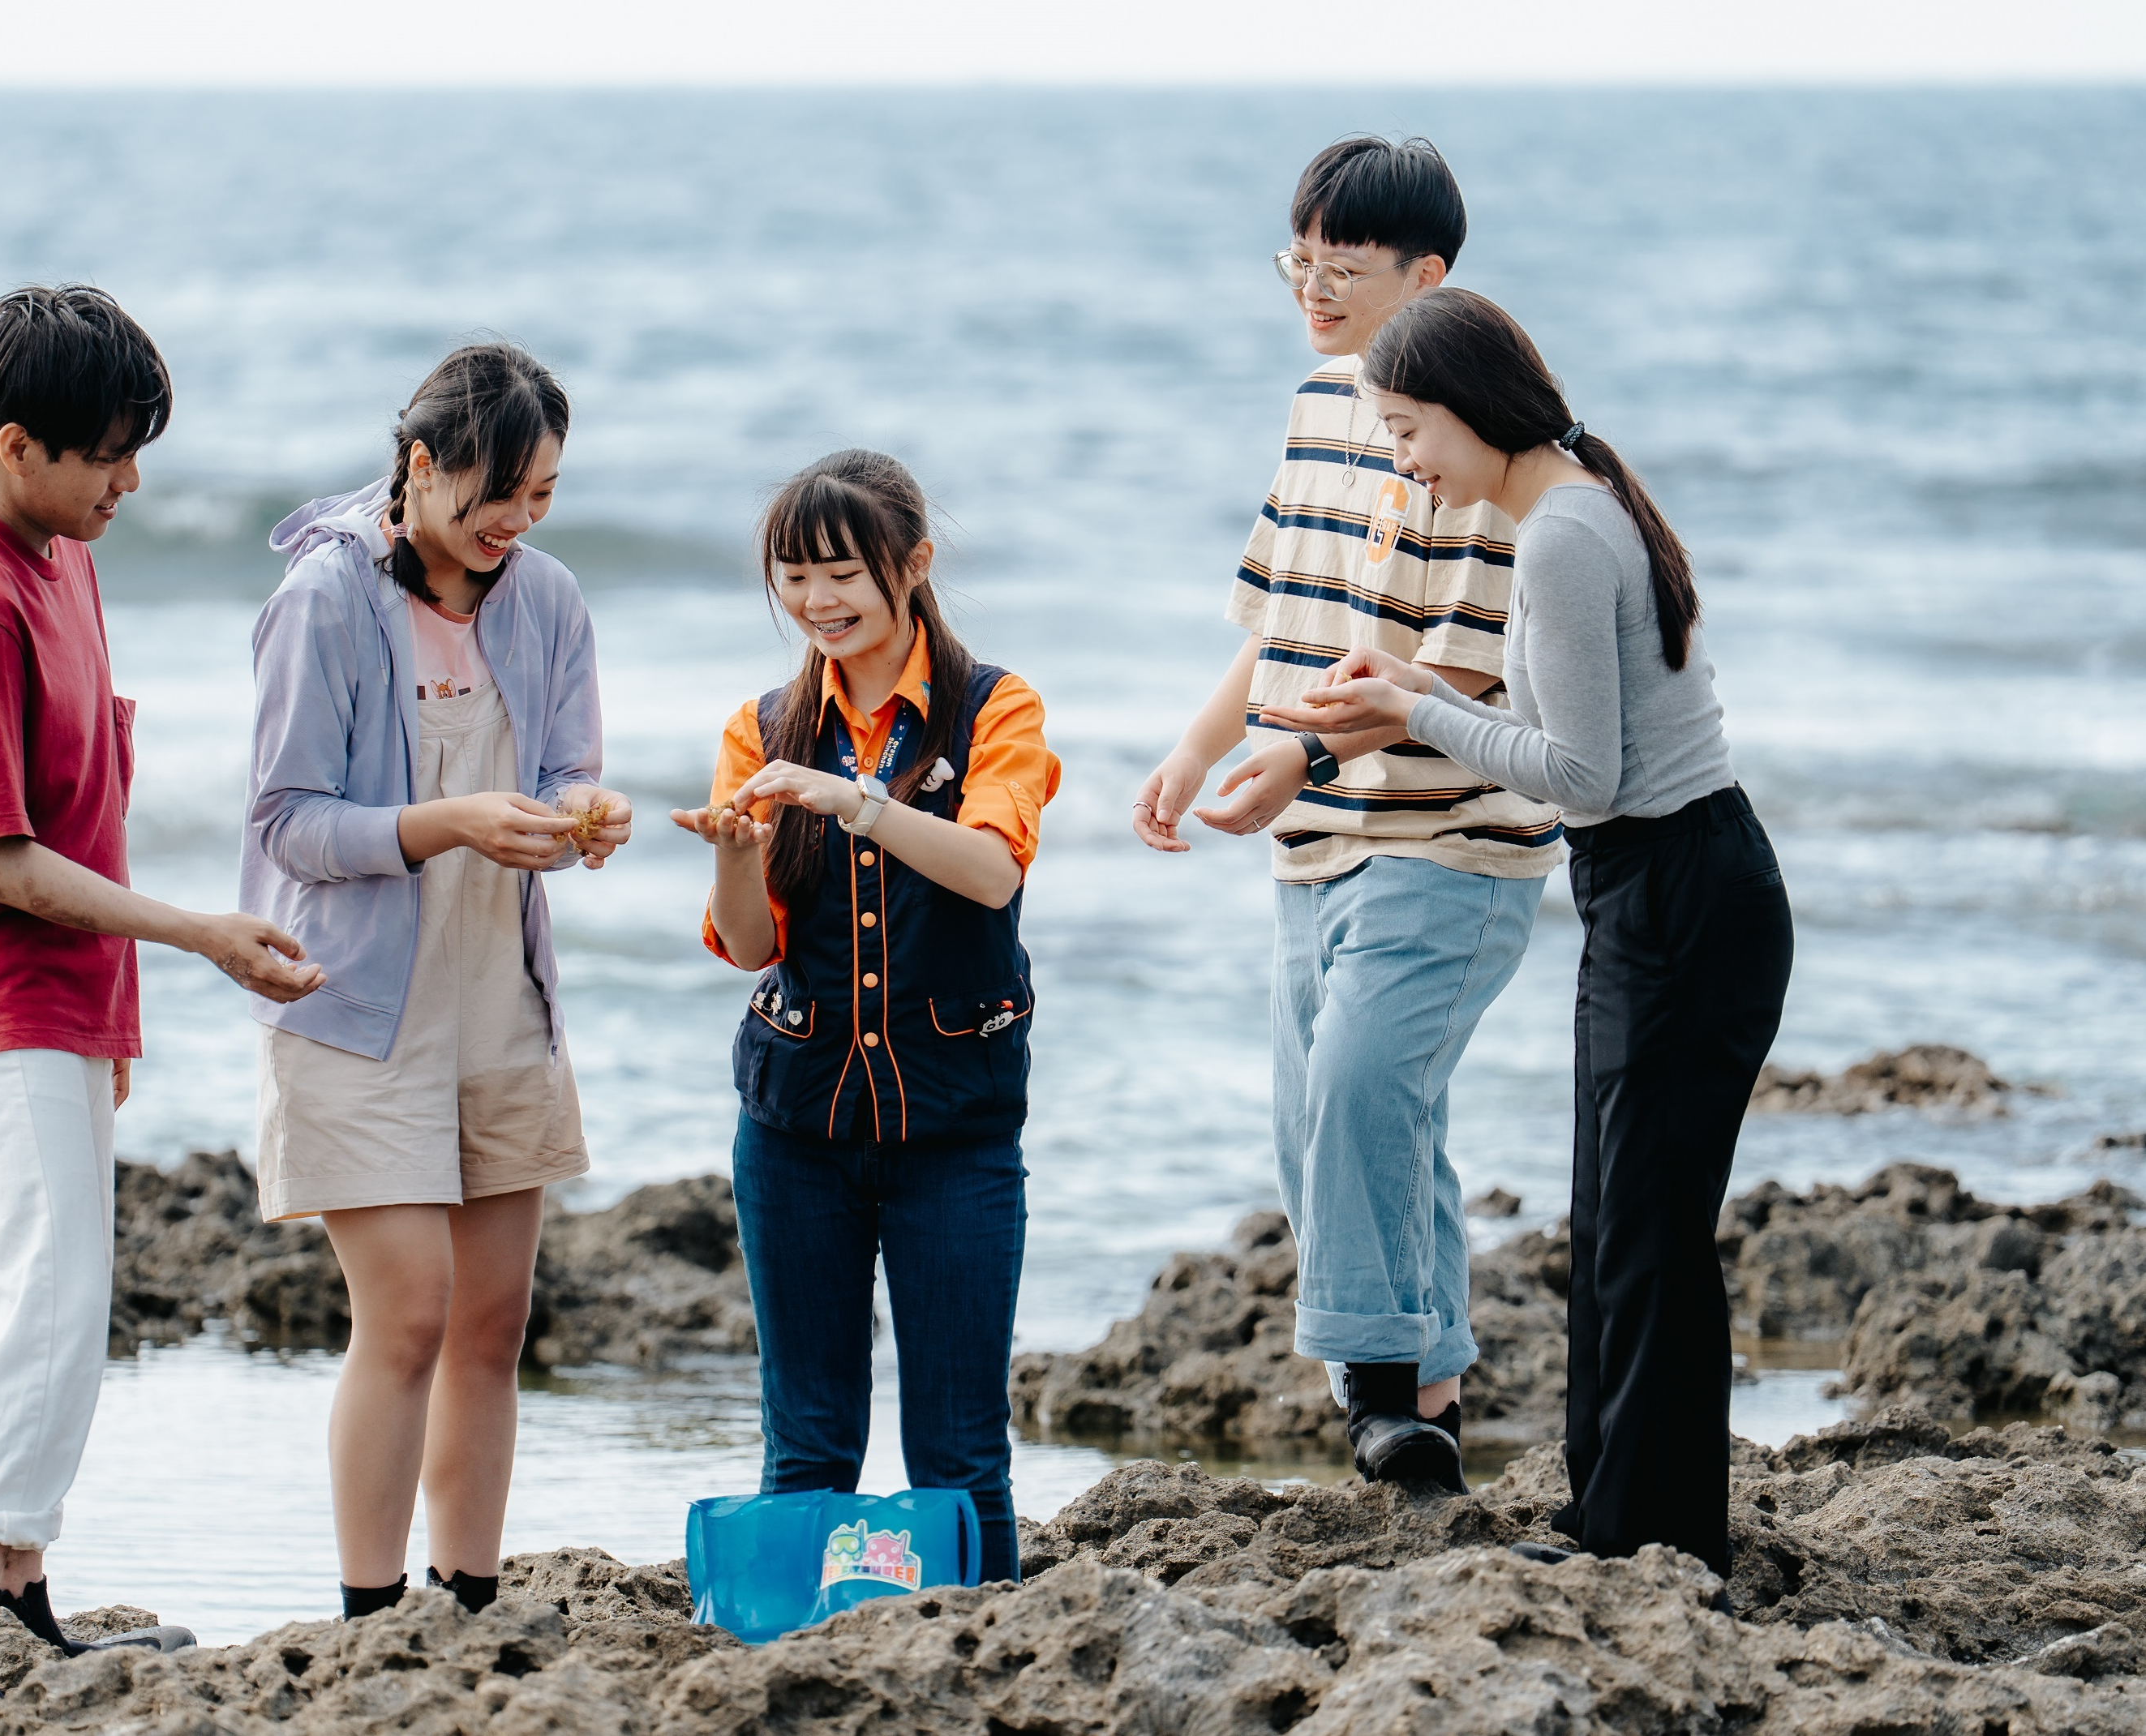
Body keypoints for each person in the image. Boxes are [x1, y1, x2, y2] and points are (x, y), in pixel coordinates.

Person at [1266, 286, 1793, 1581]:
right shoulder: (1573, 505)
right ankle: (1610, 1513)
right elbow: (1573, 730)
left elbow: (1585, 775)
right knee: (1612, 1215)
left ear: (1472, 408)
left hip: (1680, 889)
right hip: (1661, 888)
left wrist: (1414, 713)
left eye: (1407, 431)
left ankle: (1656, 1531)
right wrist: (1419, 694)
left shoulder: (1561, 534)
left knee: (1649, 1231)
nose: (1403, 461)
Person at [0, 285, 325, 1707]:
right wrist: (199, 933)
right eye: (111, 454)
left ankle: (16, 1599)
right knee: (37, 1301)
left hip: (63, 1002)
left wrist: (120, 1009)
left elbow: (86, 799)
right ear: (20, 445)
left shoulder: (59, 556)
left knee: (58, 1295)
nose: (133, 481)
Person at [1131, 137, 1561, 1491]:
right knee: (1347, 1112)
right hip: (1318, 834)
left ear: (1426, 277)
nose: (1311, 290)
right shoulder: (1320, 407)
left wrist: (1292, 763)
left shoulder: (1478, 448)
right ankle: (1424, 1388)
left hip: (1452, 832)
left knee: (1362, 1086)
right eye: (1296, 263)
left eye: (1343, 270)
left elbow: (1469, 668)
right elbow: (1284, 619)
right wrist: (1203, 747)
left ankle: (1377, 1389)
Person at [242, 341, 629, 1622]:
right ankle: (367, 1617)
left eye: (544, 498)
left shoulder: (548, 598)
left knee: (493, 1321)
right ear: (420, 468)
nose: (516, 527)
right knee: (406, 1316)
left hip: (499, 1000)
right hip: (353, 1007)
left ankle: (468, 1600)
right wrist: (448, 822)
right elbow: (291, 824)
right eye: (494, 498)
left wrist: (585, 815)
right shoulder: (325, 602)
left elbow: (568, 764)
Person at [672, 449, 1062, 1584]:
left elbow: (989, 871)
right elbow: (749, 947)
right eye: (793, 576)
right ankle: (793, 1656)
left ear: (915, 565)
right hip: (796, 1127)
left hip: (958, 1130)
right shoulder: (764, 722)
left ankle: (987, 1659)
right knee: (807, 1447)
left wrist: (854, 800)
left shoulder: (999, 705)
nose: (817, 601)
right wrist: (739, 861)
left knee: (960, 1453)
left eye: (841, 572)